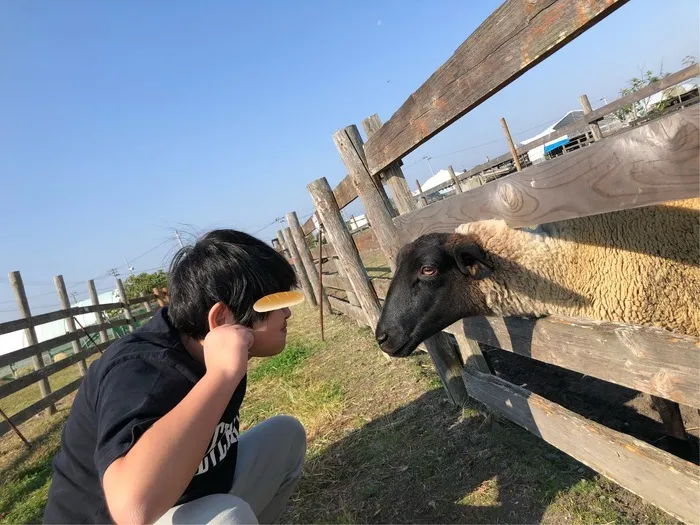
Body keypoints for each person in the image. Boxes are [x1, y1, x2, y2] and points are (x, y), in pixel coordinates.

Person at [43, 230, 307, 524]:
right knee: (227, 519)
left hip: (181, 500)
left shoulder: (209, 346)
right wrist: (220, 377)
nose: (287, 313)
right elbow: (133, 510)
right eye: (274, 303)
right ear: (221, 319)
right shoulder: (140, 370)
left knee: (285, 437)